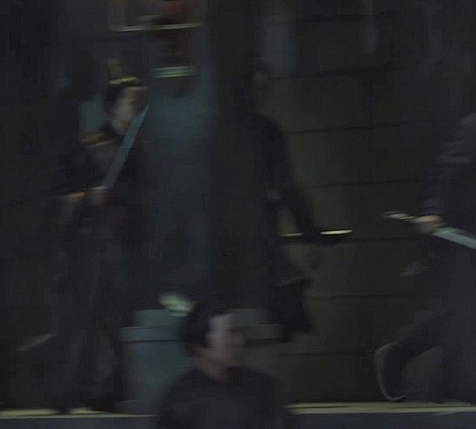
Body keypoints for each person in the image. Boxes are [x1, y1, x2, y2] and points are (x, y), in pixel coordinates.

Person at [374, 40, 476, 405]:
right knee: (461, 317)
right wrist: (432, 210)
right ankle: (401, 357)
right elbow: (446, 173)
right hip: (466, 242)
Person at [44, 65, 148, 412]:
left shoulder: (138, 152)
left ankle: (108, 391)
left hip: (124, 246)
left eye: (139, 103)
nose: (136, 109)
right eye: (131, 102)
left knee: (117, 320)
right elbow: (57, 199)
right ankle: (68, 393)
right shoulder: (88, 148)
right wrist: (89, 197)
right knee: (84, 321)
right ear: (113, 106)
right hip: (89, 248)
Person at [244, 63, 320, 342]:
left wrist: (308, 230)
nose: (259, 95)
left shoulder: (265, 131)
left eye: (263, 88)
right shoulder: (260, 131)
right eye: (256, 88)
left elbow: (286, 184)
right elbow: (286, 185)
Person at [156, 301, 297, 428]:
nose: (239, 342)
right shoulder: (180, 402)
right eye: (228, 335)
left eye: (238, 333)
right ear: (201, 347)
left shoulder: (263, 388)